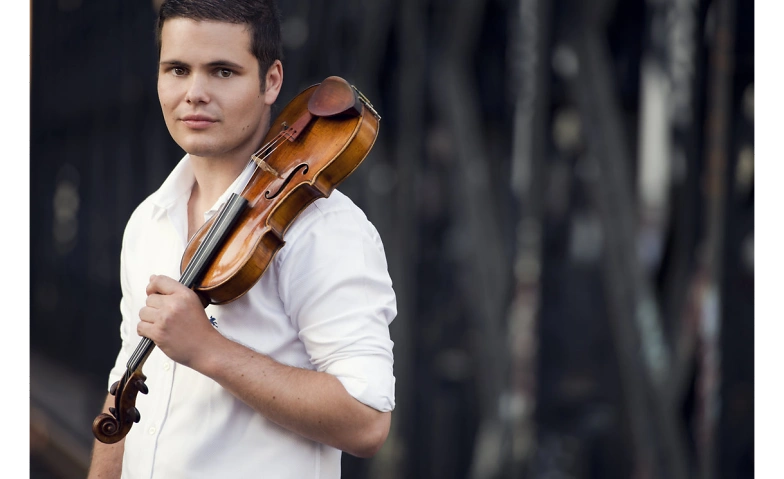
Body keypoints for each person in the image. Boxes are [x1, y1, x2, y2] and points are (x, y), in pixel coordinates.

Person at [86, 1, 397, 477]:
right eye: (177, 69)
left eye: (223, 71)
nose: (194, 93)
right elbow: (126, 379)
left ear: (271, 82)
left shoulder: (324, 229)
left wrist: (209, 349)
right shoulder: (148, 220)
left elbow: (367, 421)